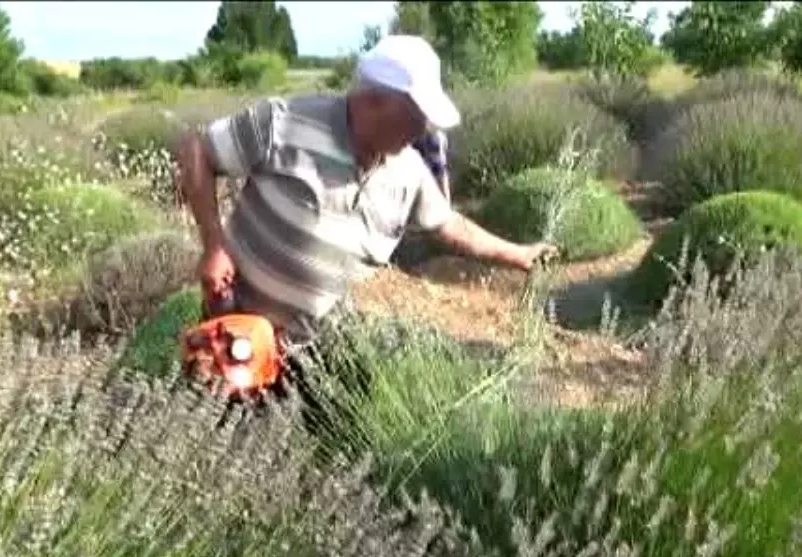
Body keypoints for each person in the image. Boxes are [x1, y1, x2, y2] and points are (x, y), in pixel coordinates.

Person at [173, 34, 554, 433]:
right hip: (231, 332)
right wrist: (214, 246)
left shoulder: (408, 172)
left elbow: (450, 225)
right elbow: (197, 149)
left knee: (300, 458)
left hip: (307, 353)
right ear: (373, 100)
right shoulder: (283, 123)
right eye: (414, 115)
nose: (422, 129)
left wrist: (520, 255)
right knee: (207, 445)